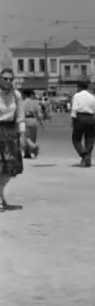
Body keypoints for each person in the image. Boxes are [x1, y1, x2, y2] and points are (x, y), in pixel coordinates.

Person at [0, 68, 26, 211]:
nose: (8, 81)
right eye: (5, 78)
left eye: (10, 79)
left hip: (10, 133)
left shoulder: (17, 96)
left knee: (10, 168)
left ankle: (0, 194)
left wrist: (22, 135)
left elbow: (21, 117)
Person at [71, 81, 95, 168]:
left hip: (81, 117)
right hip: (91, 118)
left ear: (79, 87)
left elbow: (74, 108)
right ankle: (88, 157)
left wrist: (73, 119)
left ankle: (83, 154)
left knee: (76, 138)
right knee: (90, 138)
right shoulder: (92, 96)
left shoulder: (77, 95)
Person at [21, 90, 42, 159]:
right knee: (32, 137)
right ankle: (28, 153)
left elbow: (21, 113)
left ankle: (33, 147)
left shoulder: (23, 102)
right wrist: (41, 122)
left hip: (25, 120)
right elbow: (39, 114)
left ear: (24, 95)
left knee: (25, 137)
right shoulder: (35, 103)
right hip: (34, 120)